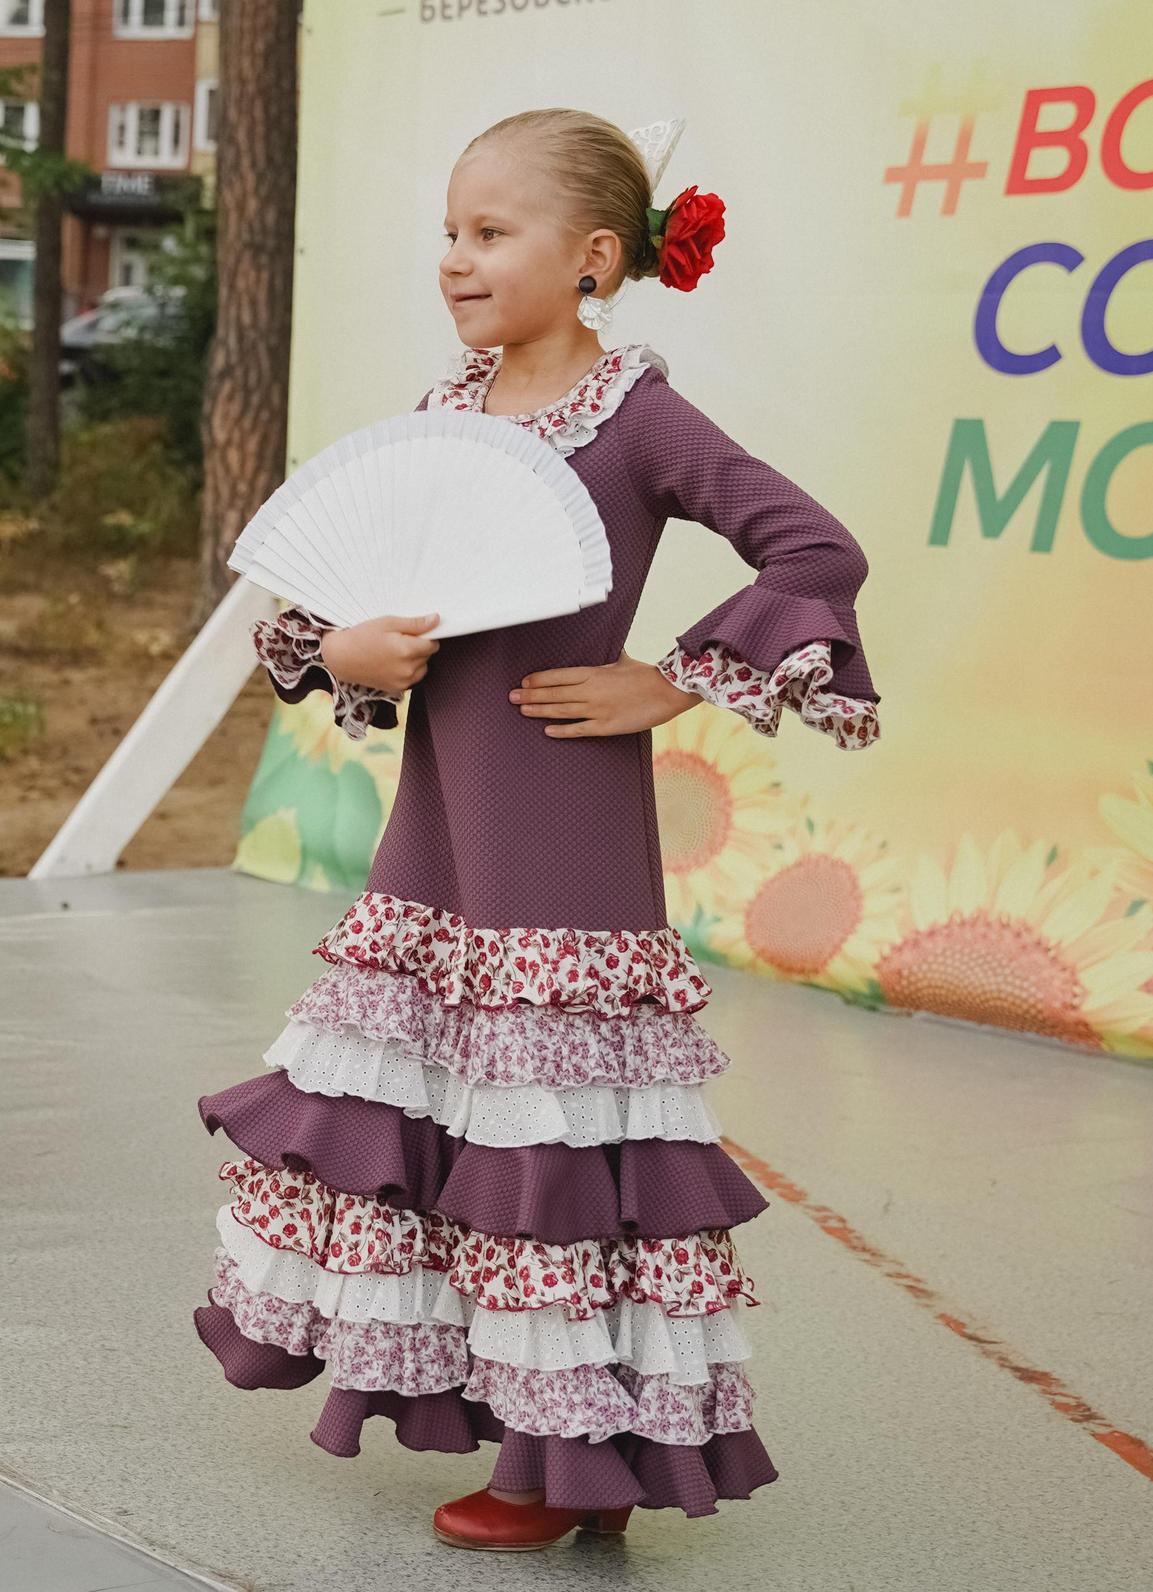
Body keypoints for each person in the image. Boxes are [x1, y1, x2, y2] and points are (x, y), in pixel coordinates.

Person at [192, 110, 881, 1549]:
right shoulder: (444, 417)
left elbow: (816, 547)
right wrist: (348, 648)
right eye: (449, 229)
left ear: (593, 258)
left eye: (489, 232)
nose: (455, 257)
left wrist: (669, 677)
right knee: (442, 1120)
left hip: (564, 834)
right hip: (436, 829)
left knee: (553, 1131)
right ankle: (536, 1434)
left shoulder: (638, 416)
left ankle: (564, 1461)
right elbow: (320, 605)